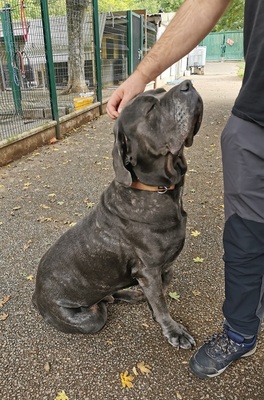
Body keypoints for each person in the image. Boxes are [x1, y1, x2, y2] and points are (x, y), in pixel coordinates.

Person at [107, 0, 264, 379]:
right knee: (244, 237)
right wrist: (141, 74)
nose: (182, 88)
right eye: (151, 111)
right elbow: (204, 3)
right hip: (255, 118)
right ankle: (240, 332)